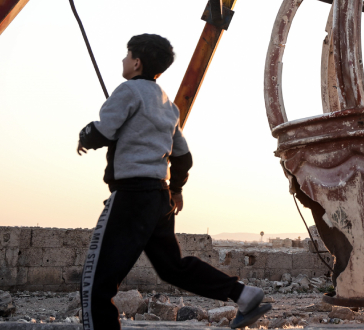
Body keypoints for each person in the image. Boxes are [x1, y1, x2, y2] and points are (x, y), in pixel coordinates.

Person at [76, 34, 270, 330]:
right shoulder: (168, 105)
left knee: (97, 283)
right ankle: (242, 293)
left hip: (131, 196)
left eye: (127, 55)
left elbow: (104, 131)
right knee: (172, 267)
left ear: (137, 62)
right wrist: (176, 190)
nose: (123, 60)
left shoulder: (127, 91)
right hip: (159, 196)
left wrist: (85, 136)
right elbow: (183, 156)